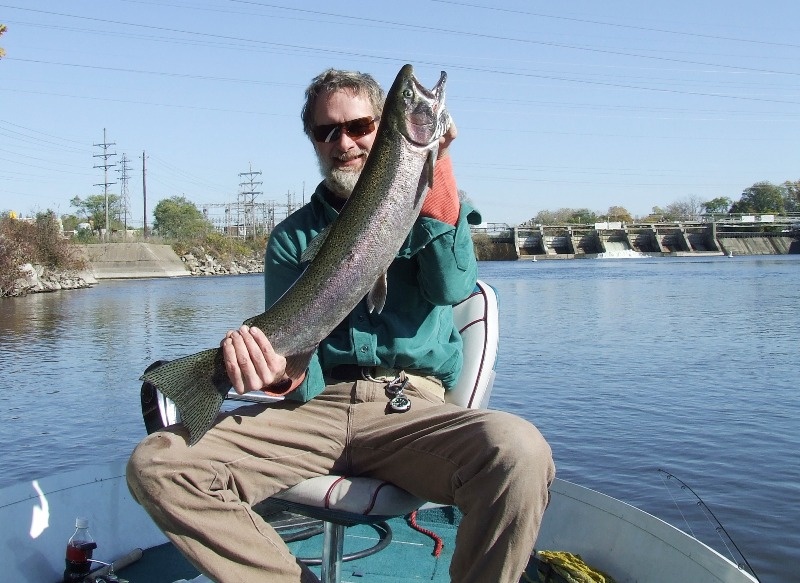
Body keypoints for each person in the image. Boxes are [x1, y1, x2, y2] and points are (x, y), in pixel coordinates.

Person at [127, 68, 555, 583]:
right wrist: (274, 370)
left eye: (359, 126)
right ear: (312, 141)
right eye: (326, 132)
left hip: (407, 408)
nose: (344, 142)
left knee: (521, 451)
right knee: (157, 465)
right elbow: (297, 374)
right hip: (315, 411)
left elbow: (451, 288)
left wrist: (438, 162)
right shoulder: (291, 237)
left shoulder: (433, 196)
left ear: (385, 129)